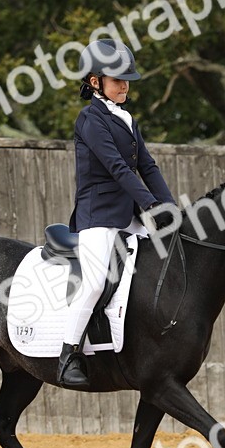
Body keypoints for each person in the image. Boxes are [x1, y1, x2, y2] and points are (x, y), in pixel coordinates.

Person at [58, 39, 177, 389]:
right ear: (95, 82)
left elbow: (147, 166)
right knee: (95, 281)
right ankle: (68, 355)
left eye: (127, 79)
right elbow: (117, 170)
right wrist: (152, 205)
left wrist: (170, 207)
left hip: (130, 213)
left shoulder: (126, 118)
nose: (124, 85)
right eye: (116, 80)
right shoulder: (90, 120)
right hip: (99, 214)